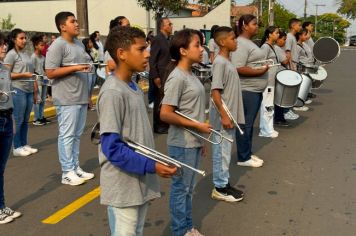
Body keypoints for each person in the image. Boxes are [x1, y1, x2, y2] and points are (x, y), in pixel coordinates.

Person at [97, 26, 176, 236]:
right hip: (123, 184)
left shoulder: (132, 85)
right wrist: (153, 165)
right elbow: (111, 148)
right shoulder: (113, 92)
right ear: (122, 54)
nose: (147, 54)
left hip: (139, 178)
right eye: (141, 49)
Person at [160, 28, 211, 236]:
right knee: (181, 190)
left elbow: (193, 112)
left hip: (193, 142)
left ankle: (188, 228)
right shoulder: (177, 77)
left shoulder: (190, 74)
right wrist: (197, 127)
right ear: (183, 50)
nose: (202, 49)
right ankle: (180, 231)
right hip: (181, 144)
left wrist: (202, 139)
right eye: (197, 45)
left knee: (188, 190)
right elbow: (165, 113)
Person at [45, 11, 94, 186]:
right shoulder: (57, 45)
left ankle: (75, 167)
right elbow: (50, 72)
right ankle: (66, 172)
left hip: (80, 96)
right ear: (62, 26)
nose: (77, 24)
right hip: (66, 98)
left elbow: (85, 68)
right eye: (73, 21)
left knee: (77, 135)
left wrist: (88, 95)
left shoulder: (79, 44)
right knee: (67, 135)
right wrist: (76, 68)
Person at [209, 26, 245, 203]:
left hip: (229, 116)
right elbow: (215, 92)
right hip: (224, 117)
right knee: (221, 151)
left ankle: (224, 182)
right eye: (232, 38)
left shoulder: (226, 61)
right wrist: (223, 115)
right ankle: (219, 188)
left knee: (225, 151)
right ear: (223, 42)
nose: (235, 41)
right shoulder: (219, 63)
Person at [231, 14, 268, 168]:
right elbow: (238, 67)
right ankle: (243, 157)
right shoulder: (240, 43)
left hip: (255, 90)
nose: (257, 26)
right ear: (245, 26)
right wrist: (259, 72)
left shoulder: (249, 42)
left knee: (249, 124)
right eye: (254, 24)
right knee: (244, 124)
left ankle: (247, 152)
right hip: (247, 90)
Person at [5, 28, 38, 157]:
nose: (24, 40)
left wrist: (35, 90)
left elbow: (32, 73)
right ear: (14, 40)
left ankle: (24, 144)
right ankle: (16, 146)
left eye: (25, 38)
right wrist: (23, 74)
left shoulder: (25, 54)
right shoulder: (11, 54)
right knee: (18, 119)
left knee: (25, 119)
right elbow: (6, 74)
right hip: (18, 89)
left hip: (29, 90)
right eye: (21, 38)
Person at [0, 32, 22, 224]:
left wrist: (12, 121)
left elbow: (8, 96)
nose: (4, 48)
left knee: (1, 168)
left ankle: (1, 205)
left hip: (6, 117)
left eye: (4, 44)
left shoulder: (4, 69)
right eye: (0, 45)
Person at [149, 17, 173, 134]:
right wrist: (155, 76)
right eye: (169, 24)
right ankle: (158, 126)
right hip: (160, 75)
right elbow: (152, 60)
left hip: (168, 75)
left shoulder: (168, 39)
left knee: (166, 100)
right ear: (163, 26)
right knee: (159, 100)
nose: (171, 26)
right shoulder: (158, 39)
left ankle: (165, 124)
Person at [259, 26, 280, 138]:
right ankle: (265, 130)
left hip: (271, 81)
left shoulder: (272, 46)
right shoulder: (265, 47)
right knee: (267, 106)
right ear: (269, 34)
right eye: (276, 33)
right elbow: (261, 63)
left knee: (269, 106)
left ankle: (269, 128)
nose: (278, 35)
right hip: (267, 81)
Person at [273, 30, 292, 127]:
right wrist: (288, 57)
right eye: (283, 39)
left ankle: (280, 117)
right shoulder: (276, 48)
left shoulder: (277, 48)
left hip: (280, 75)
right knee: (279, 98)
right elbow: (284, 61)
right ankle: (278, 118)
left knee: (279, 97)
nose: (284, 42)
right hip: (279, 75)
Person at [31, 33, 50, 126]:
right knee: (37, 100)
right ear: (36, 46)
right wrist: (34, 84)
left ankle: (41, 116)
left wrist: (47, 80)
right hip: (37, 81)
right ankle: (36, 118)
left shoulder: (43, 57)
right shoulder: (33, 57)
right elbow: (32, 72)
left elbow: (45, 69)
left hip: (44, 80)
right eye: (41, 45)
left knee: (43, 99)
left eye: (44, 45)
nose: (43, 47)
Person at [82, 38, 97, 110]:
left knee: (91, 89)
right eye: (90, 42)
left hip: (93, 71)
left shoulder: (91, 51)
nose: (92, 43)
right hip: (88, 73)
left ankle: (90, 103)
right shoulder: (83, 53)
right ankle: (89, 104)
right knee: (88, 88)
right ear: (86, 44)